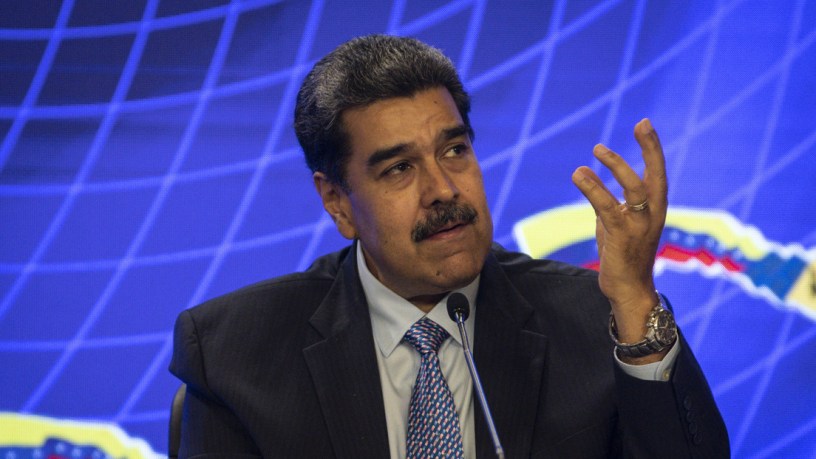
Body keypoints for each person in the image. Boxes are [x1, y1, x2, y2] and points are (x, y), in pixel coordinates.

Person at [170, 34, 729, 458]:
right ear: (337, 202)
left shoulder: (597, 321)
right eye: (399, 168)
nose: (442, 189)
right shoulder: (236, 356)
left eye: (454, 150)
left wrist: (634, 300)